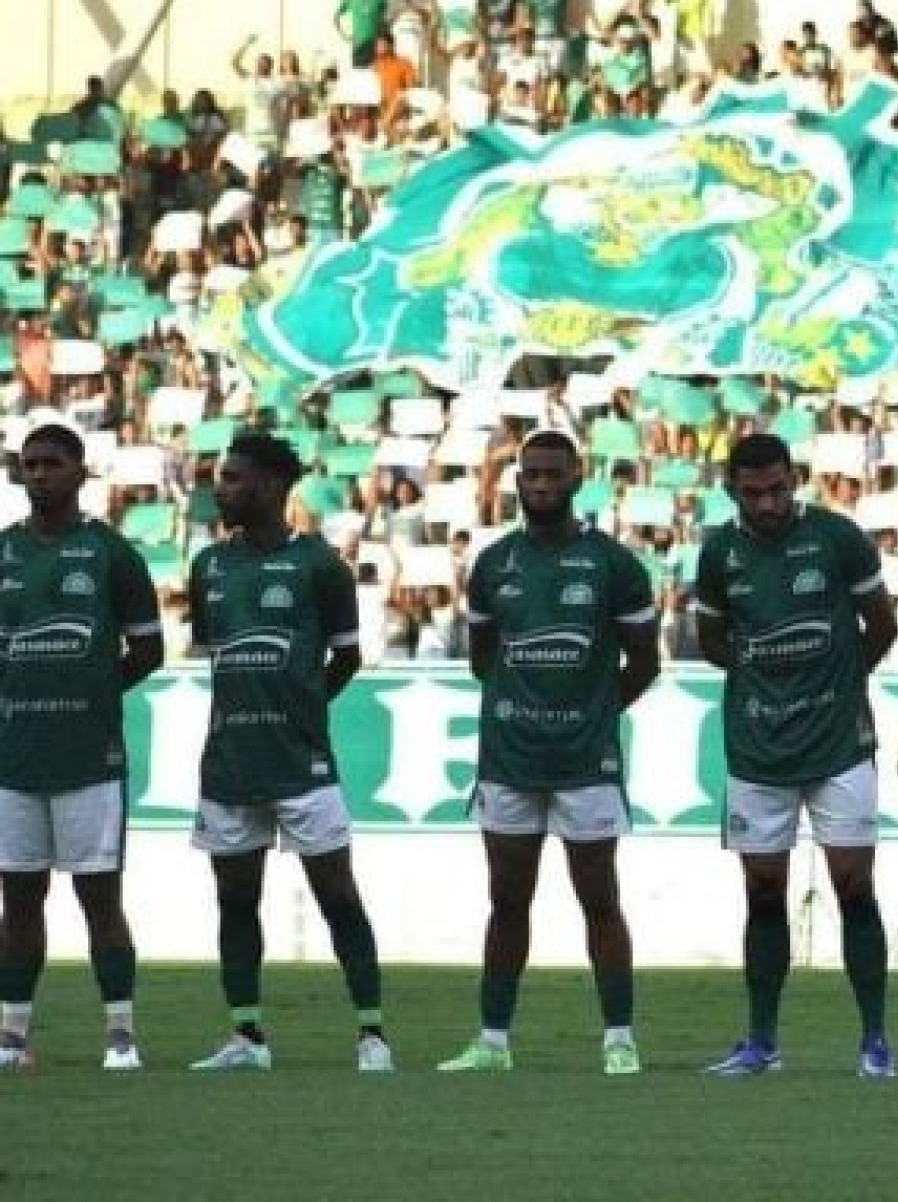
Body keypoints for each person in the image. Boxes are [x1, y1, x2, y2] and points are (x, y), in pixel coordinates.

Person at [439, 430, 660, 1075]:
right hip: (510, 760)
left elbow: (644, 663)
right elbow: (484, 660)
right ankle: (493, 1041)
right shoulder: (492, 565)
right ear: (516, 481)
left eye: (552, 474)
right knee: (507, 901)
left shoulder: (614, 565)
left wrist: (594, 713)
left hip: (586, 763)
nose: (540, 484)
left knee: (599, 898)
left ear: (577, 479)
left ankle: (618, 1039)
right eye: (531, 474)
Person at [691, 433, 898, 1078]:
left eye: (778, 489)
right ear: (732, 490)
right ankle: (762, 1041)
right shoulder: (719, 553)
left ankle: (874, 1041)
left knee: (854, 886)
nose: (768, 504)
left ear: (795, 480)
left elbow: (883, 625)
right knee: (762, 892)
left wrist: (839, 684)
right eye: (753, 493)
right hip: (758, 747)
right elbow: (712, 639)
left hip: (839, 745)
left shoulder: (837, 538)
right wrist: (763, 680)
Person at [187, 433, 391, 1072]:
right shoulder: (209, 566)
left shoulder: (319, 565)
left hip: (302, 763)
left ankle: (372, 1035)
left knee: (337, 896)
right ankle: (246, 1036)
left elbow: (347, 655)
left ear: (273, 486)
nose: (222, 489)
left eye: (234, 478)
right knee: (235, 900)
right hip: (229, 761)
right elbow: (215, 653)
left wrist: (305, 705)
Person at [0, 424, 163, 1071]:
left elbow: (148, 648)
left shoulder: (110, 552)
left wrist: (94, 689)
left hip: (88, 758)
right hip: (14, 757)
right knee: (18, 900)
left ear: (79, 471)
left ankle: (120, 1035)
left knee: (100, 898)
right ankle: (12, 1036)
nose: (39, 473)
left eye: (52, 463)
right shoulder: (4, 551)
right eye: (30, 464)